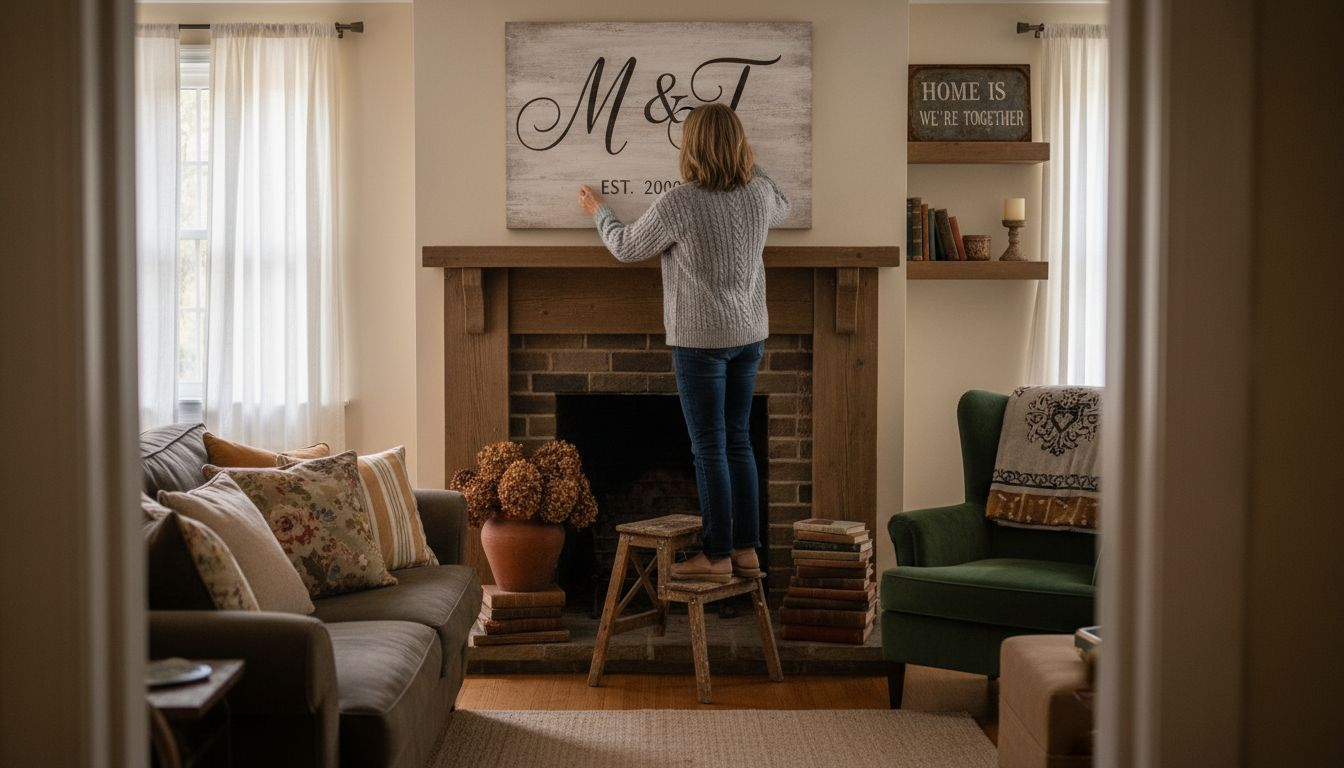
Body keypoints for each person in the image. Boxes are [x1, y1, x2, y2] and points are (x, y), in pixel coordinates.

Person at [577, 103, 790, 583]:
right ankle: (746, 551)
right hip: (749, 336)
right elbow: (784, 199)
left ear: (690, 147)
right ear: (740, 146)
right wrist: (752, 164)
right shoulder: (759, 195)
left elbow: (625, 246)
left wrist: (599, 212)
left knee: (709, 447)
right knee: (739, 441)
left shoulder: (681, 202)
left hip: (701, 343)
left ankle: (715, 557)